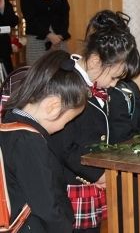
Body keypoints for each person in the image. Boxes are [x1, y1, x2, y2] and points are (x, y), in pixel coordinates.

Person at [50, 10, 139, 233]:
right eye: (114, 76)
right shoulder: (67, 82)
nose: (113, 84)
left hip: (90, 179)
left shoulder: (94, 84)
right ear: (96, 60)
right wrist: (97, 174)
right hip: (70, 183)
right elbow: (63, 145)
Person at [0, 49, 89, 233]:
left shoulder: (8, 124)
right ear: (53, 107)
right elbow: (46, 205)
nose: (64, 127)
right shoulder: (28, 140)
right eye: (68, 120)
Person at [20, 0, 70, 66]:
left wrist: (60, 35)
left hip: (59, 38)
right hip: (37, 38)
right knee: (37, 71)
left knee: (62, 71)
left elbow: (65, 13)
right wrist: (49, 35)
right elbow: (30, 18)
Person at [0, 0, 19, 76]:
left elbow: (13, 22)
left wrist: (2, 9)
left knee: (7, 75)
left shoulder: (7, 6)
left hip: (3, 46)